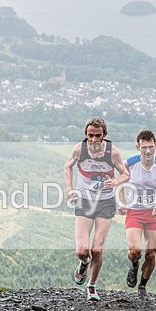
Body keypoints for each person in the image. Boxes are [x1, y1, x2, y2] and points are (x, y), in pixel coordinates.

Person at [64, 117, 129, 301]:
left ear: (104, 135)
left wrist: (115, 181)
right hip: (84, 201)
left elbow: (125, 174)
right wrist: (70, 190)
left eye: (97, 136)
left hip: (105, 202)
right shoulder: (79, 149)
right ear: (86, 134)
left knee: (97, 250)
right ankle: (84, 263)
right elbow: (68, 166)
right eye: (90, 135)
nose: (93, 140)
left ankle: (91, 287)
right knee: (82, 251)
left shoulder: (113, 153)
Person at [118, 130, 156, 299]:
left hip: (153, 212)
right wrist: (122, 202)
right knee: (135, 250)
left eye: (151, 147)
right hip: (134, 211)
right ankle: (134, 265)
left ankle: (143, 285)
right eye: (144, 148)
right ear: (138, 147)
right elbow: (120, 183)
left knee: (151, 253)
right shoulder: (129, 164)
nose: (148, 151)